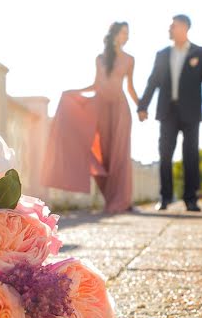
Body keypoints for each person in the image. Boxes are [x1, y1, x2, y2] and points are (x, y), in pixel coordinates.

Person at [42, 22, 140, 213]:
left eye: (128, 34)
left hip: (120, 109)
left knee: (120, 156)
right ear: (114, 35)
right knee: (103, 156)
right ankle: (111, 199)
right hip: (101, 108)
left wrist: (141, 107)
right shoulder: (100, 59)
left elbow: (130, 88)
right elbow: (96, 85)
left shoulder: (130, 59)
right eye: (123, 33)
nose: (126, 37)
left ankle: (123, 200)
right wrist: (74, 92)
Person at [137, 14, 202, 212]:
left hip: (191, 112)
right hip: (167, 111)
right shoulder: (162, 54)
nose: (170, 29)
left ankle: (190, 198)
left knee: (191, 154)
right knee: (165, 154)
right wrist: (143, 106)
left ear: (184, 28)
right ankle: (165, 198)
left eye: (173, 26)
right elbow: (153, 81)